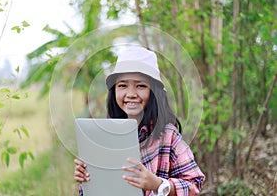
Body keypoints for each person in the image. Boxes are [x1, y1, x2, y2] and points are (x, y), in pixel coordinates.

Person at [74, 46, 205, 196]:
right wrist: (87, 179)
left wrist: (158, 184)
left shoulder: (168, 136)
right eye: (122, 85)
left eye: (140, 86)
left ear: (154, 91)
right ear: (114, 90)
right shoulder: (105, 136)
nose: (131, 94)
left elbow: (195, 184)